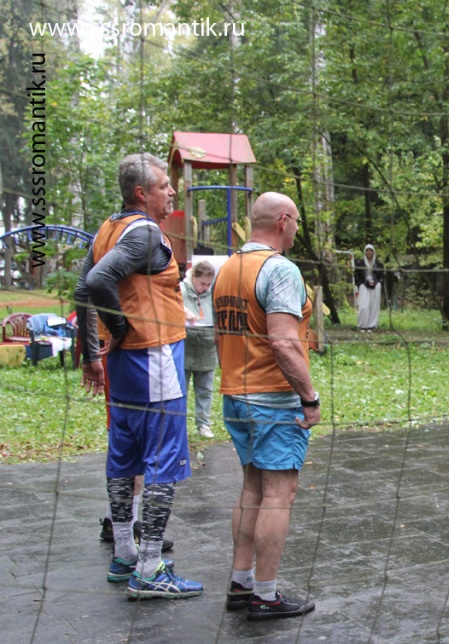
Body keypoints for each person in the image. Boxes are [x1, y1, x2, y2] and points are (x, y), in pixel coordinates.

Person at [75, 152, 201, 598]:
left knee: (123, 455)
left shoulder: (108, 228)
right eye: (165, 186)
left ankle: (124, 554)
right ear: (141, 193)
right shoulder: (144, 233)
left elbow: (82, 287)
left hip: (123, 366)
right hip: (152, 359)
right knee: (162, 460)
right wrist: (123, 329)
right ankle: (149, 568)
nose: (172, 191)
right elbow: (97, 282)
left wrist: (91, 354)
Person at [214, 191, 320, 620]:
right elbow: (282, 342)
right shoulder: (279, 269)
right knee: (279, 493)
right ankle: (265, 594)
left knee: (252, 488)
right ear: (282, 221)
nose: (296, 229)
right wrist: (309, 397)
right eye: (296, 221)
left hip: (235, 395)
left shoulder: (228, 268)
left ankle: (241, 585)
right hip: (273, 399)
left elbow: (223, 334)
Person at [181, 260, 217, 438]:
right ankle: (179, 425)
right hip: (185, 347)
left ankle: (203, 424)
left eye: (208, 284)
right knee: (181, 390)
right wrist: (184, 311)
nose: (205, 287)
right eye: (202, 283)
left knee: (205, 389)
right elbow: (170, 304)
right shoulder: (180, 290)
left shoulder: (214, 293)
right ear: (193, 277)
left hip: (207, 347)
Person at [354, 244, 385, 332]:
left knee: (373, 305)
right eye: (367, 250)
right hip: (364, 284)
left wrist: (377, 282)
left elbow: (382, 275)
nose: (369, 252)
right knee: (364, 305)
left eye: (370, 251)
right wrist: (361, 283)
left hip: (375, 285)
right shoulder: (360, 263)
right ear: (365, 252)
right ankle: (363, 325)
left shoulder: (378, 264)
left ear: (373, 252)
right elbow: (356, 275)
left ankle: (371, 325)